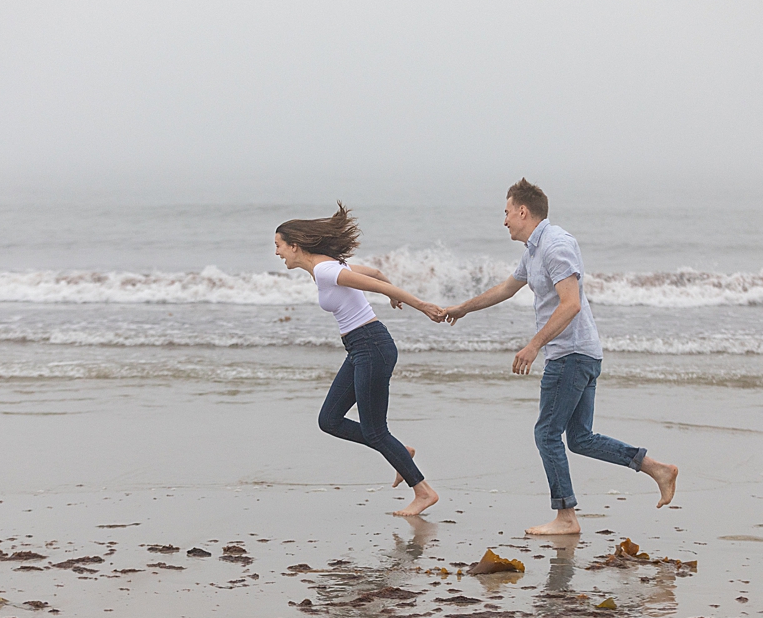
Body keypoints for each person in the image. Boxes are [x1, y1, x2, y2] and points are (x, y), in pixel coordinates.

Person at [443, 178, 678, 535]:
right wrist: (463, 308)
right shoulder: (534, 251)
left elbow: (570, 304)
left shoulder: (556, 245)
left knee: (547, 434)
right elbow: (507, 288)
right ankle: (658, 469)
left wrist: (534, 344)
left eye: (507, 213)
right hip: (579, 353)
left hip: (569, 355)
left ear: (523, 211)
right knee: (579, 437)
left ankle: (566, 517)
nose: (504, 221)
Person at [275, 201, 444, 516]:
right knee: (330, 420)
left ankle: (423, 491)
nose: (277, 252)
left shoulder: (326, 270)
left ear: (295, 246)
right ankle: (400, 453)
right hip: (360, 348)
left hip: (372, 347)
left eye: (279, 246)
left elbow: (375, 284)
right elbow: (378, 274)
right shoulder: (327, 266)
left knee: (374, 430)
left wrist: (421, 305)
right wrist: (392, 292)